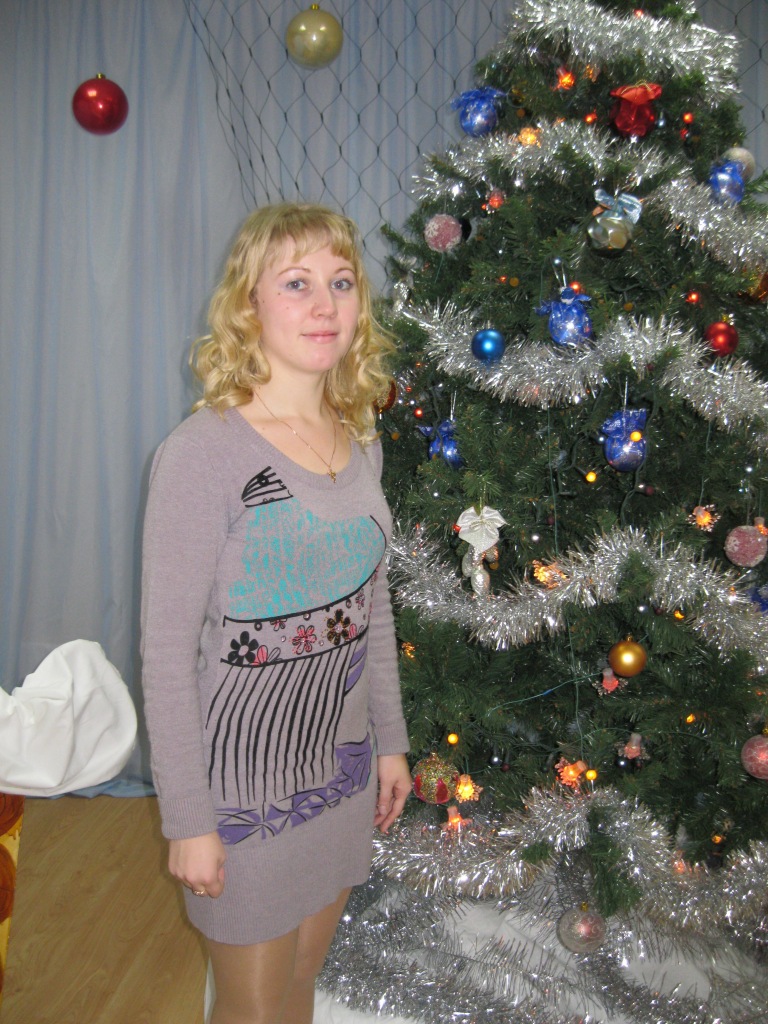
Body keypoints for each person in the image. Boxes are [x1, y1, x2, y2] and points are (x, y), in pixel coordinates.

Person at [140, 202, 412, 1024]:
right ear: (248, 303)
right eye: (296, 283)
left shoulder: (359, 437)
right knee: (252, 1011)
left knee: (300, 983)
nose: (325, 304)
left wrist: (390, 742)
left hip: (339, 777)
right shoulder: (202, 454)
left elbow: (372, 608)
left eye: (341, 282)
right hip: (242, 795)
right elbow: (165, 657)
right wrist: (189, 822)